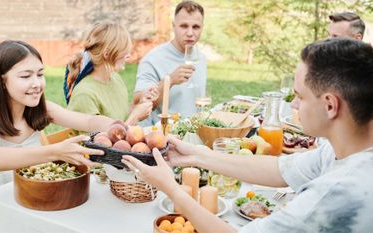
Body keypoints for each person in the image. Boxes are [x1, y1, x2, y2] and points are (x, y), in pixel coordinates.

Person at [122, 38, 373, 232]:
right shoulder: (344, 148)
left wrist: (172, 189)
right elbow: (279, 169)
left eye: (299, 96)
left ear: (330, 105)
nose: (294, 106)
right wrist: (197, 156)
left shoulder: (337, 193)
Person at [0, 40, 114, 193]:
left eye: (40, 74)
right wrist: (55, 152)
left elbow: (89, 121)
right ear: (2, 81)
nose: (36, 83)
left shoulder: (42, 109)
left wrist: (120, 127)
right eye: (25, 76)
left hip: (35, 199)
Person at [64, 21, 158, 126]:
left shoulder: (115, 79)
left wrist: (140, 104)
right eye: (124, 51)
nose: (128, 56)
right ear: (107, 54)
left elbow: (122, 117)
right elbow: (98, 141)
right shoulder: (84, 94)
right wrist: (135, 117)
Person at [133, 0, 207, 126]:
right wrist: (170, 80)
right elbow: (139, 104)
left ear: (202, 28)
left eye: (196, 27)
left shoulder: (201, 57)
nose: (190, 33)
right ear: (173, 25)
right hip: (165, 136)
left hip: (196, 133)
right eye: (184, 26)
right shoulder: (152, 59)